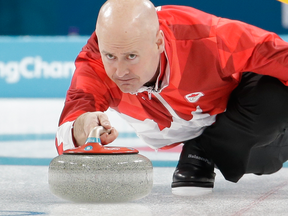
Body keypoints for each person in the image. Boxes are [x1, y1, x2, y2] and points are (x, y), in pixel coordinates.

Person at [56, 0, 288, 196]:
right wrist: (80, 127)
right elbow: (69, 124)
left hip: (235, 118)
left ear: (158, 42)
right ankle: (202, 152)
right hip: (193, 131)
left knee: (275, 97)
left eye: (131, 56)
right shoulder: (94, 64)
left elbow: (278, 54)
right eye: (111, 56)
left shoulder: (205, 37)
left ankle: (204, 150)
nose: (120, 71)